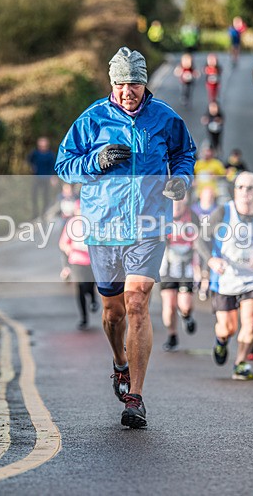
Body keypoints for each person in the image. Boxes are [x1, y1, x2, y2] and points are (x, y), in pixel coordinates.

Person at [54, 46, 197, 428]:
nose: (126, 90)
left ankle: (135, 396)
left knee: (136, 303)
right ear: (111, 83)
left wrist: (181, 180)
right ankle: (119, 361)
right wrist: (94, 163)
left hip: (148, 226)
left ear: (144, 82)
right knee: (113, 312)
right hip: (103, 229)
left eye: (133, 82)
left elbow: (185, 154)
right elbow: (64, 166)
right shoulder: (92, 119)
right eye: (119, 83)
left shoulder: (165, 118)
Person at [196, 172, 253, 381]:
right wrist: (211, 261)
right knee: (228, 328)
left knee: (250, 322)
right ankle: (221, 341)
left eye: (250, 188)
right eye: (240, 187)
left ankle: (241, 363)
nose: (245, 192)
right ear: (234, 191)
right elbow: (200, 240)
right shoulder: (223, 212)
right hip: (225, 278)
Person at [159, 195, 199, 351]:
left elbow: (200, 242)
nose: (176, 205)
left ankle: (186, 315)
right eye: (173, 202)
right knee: (168, 306)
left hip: (186, 266)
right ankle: (172, 336)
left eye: (180, 201)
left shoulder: (192, 216)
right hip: (167, 266)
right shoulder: (162, 216)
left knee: (185, 305)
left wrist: (200, 268)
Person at [59, 200, 99, 329]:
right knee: (80, 289)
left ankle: (93, 299)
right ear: (76, 211)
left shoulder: (93, 223)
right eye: (79, 209)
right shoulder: (71, 224)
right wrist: (69, 249)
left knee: (89, 286)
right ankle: (84, 318)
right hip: (76, 261)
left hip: (92, 260)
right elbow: (63, 242)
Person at [28, 136, 57, 219]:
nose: (42, 147)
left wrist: (53, 177)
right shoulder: (35, 153)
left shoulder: (50, 155)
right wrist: (32, 166)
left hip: (46, 178)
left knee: (46, 196)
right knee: (34, 196)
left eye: (44, 145)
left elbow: (53, 167)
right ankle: (35, 213)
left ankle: (44, 213)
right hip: (36, 178)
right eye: (40, 145)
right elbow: (29, 160)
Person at [57, 182, 80, 281]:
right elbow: (57, 210)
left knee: (75, 246)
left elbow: (79, 210)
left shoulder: (77, 198)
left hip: (75, 225)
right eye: (65, 189)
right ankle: (65, 268)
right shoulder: (60, 197)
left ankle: (75, 266)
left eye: (69, 189)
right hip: (64, 225)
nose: (67, 191)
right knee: (64, 246)